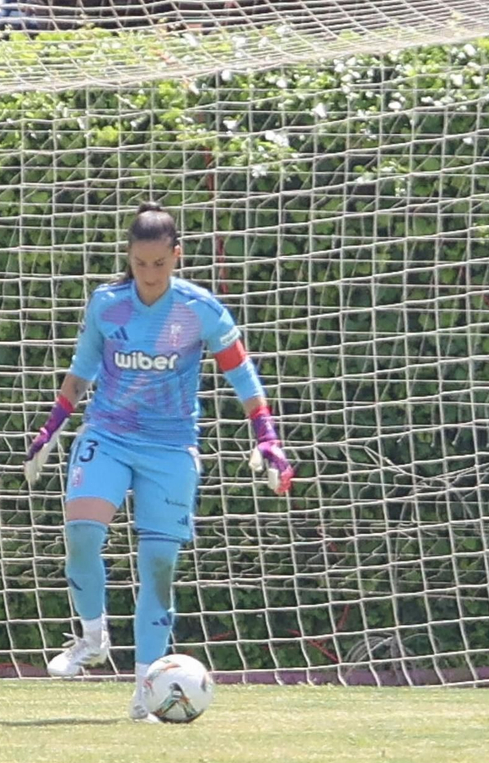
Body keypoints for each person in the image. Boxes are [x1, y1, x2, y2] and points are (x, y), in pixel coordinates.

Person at [22, 201, 294, 722]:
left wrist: (267, 437)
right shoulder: (107, 304)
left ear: (176, 256)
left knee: (159, 568)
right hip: (108, 433)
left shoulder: (201, 310)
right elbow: (80, 373)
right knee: (81, 532)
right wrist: (50, 429)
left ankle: (145, 691)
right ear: (129, 257)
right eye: (140, 264)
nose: (149, 275)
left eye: (159, 265)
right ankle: (92, 638)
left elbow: (243, 376)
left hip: (170, 448)